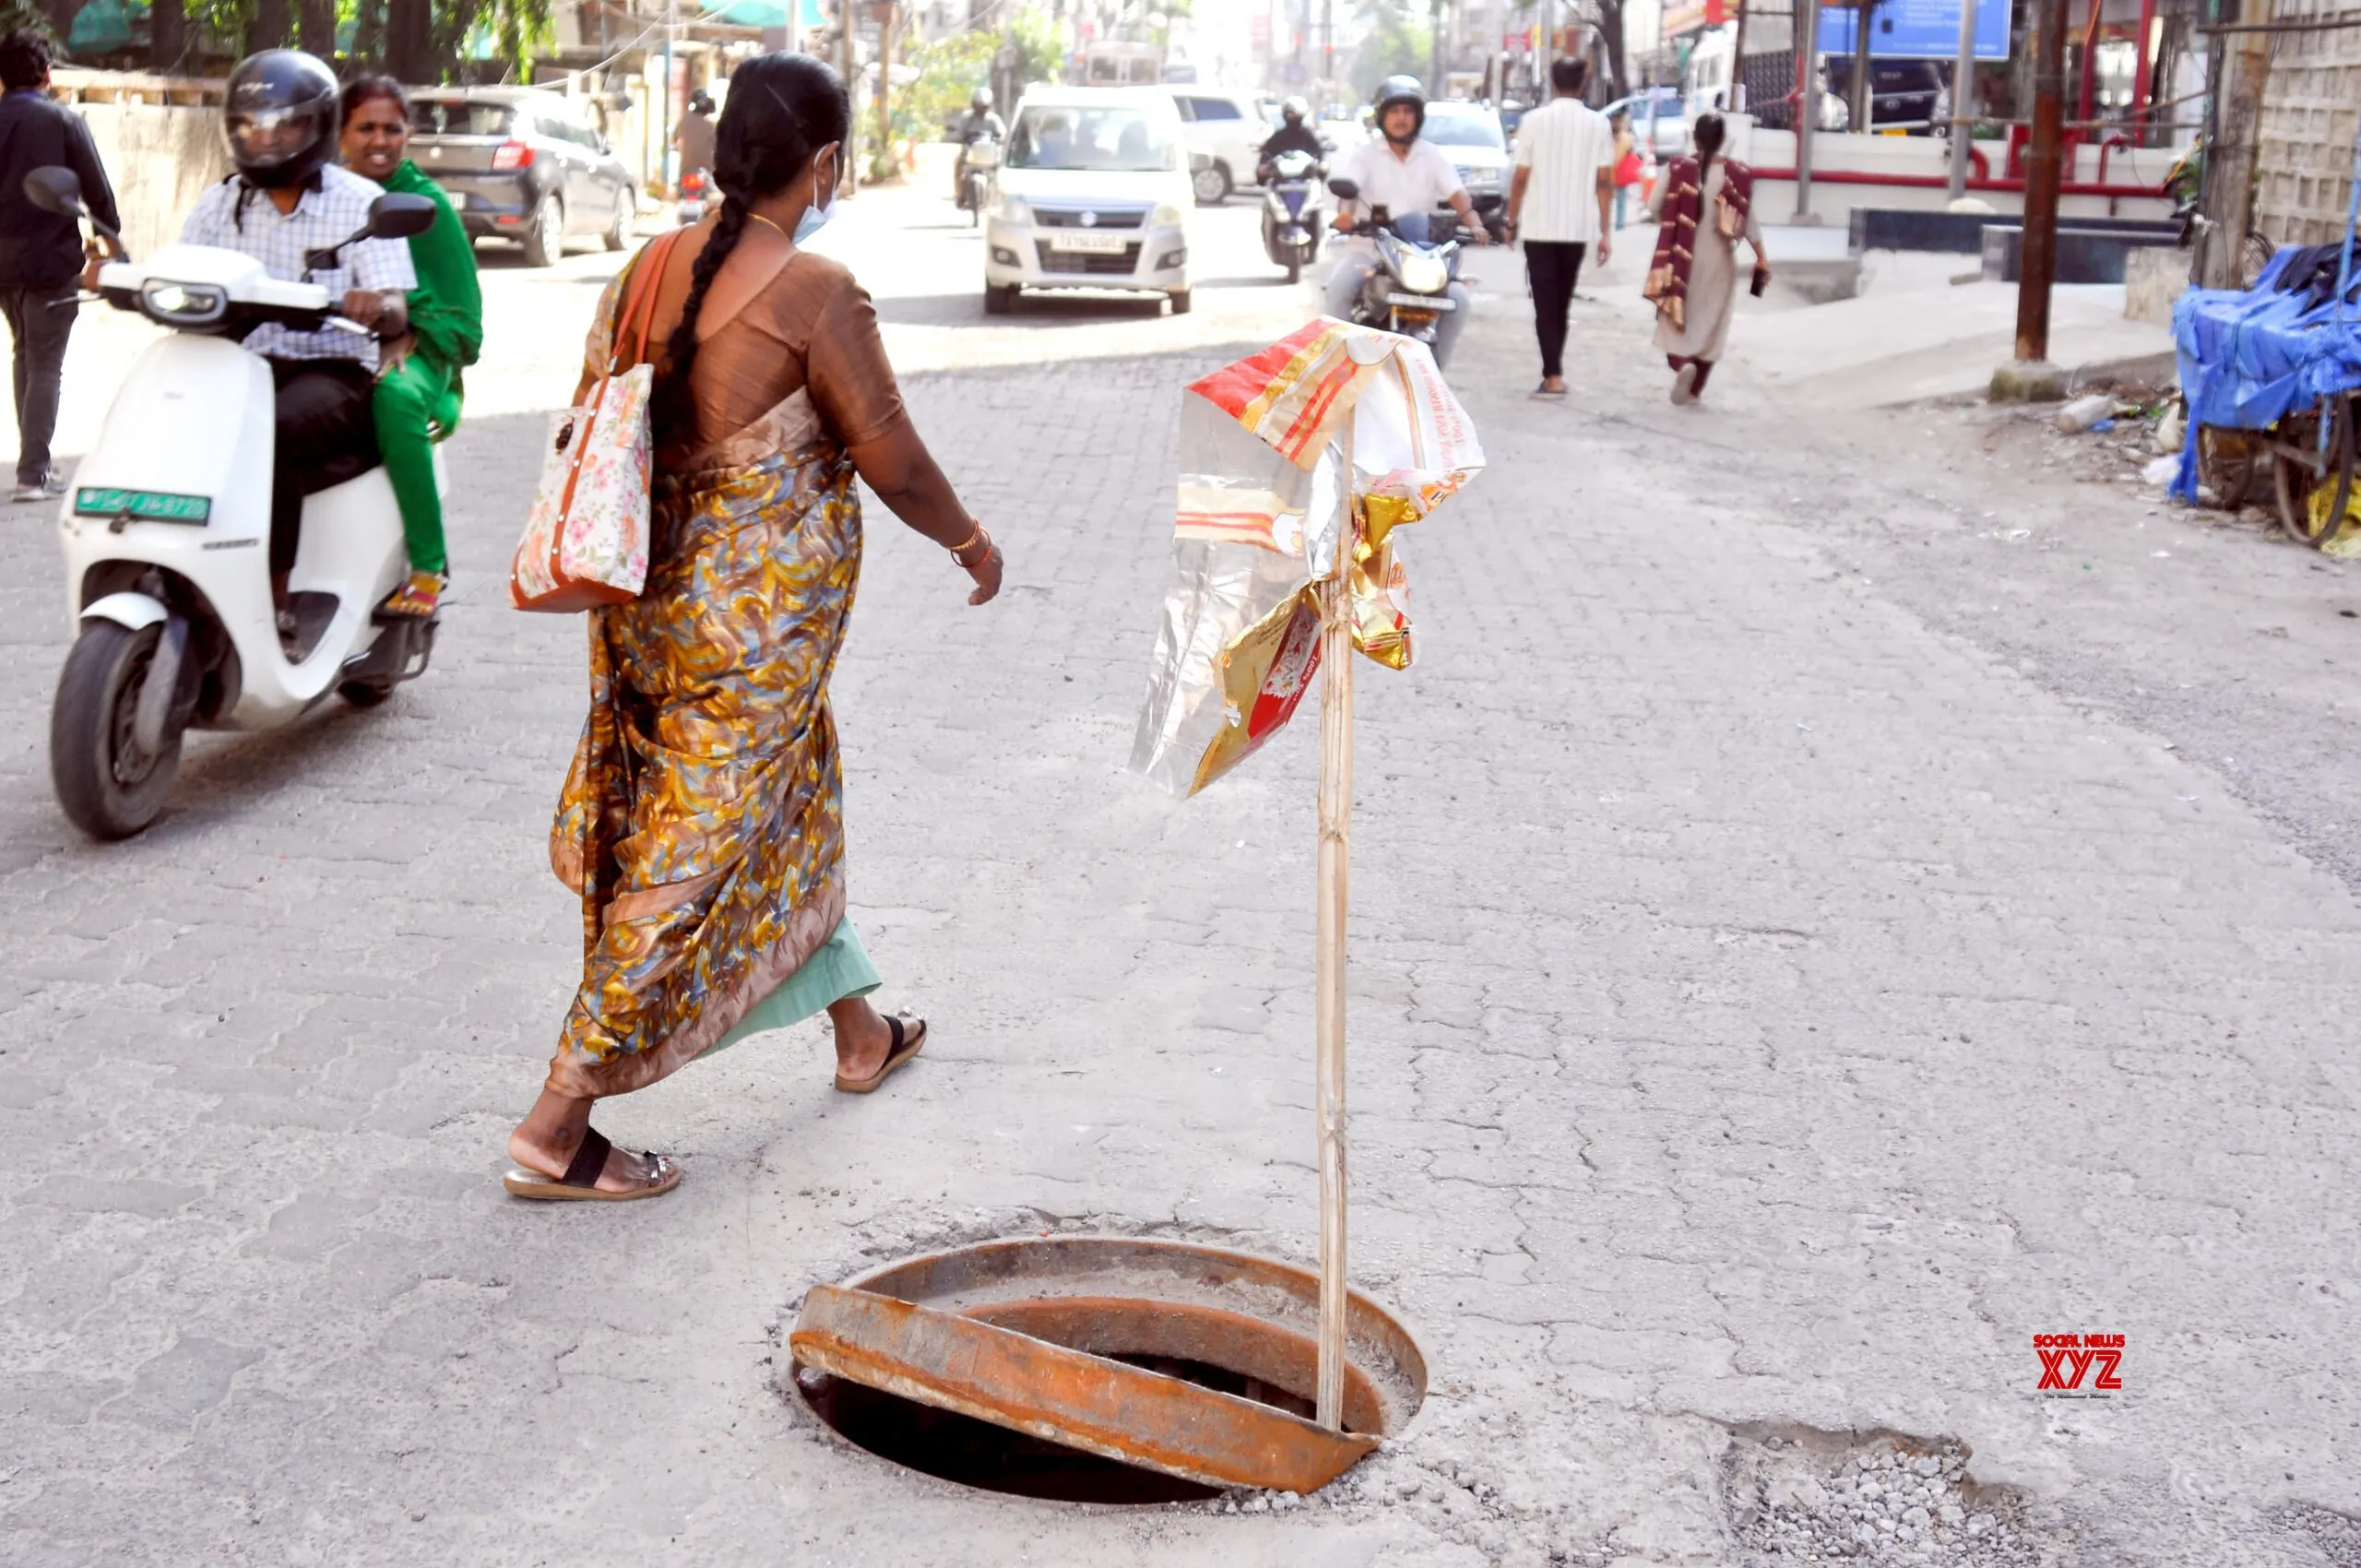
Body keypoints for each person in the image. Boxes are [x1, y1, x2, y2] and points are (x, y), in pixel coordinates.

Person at [504, 52, 1004, 1202]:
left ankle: (858, 1030)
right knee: (692, 860)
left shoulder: (642, 269)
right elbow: (895, 457)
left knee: (789, 807)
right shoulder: (817, 291)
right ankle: (555, 1124)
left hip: (647, 623)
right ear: (824, 162)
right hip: (750, 644)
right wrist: (969, 542)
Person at [183, 49, 413, 641]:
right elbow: (183, 271)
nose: (267, 138)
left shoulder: (358, 201)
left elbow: (396, 308)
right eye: (251, 125)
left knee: (272, 428)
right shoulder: (220, 202)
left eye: (284, 123)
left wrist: (376, 305)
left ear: (316, 126)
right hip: (236, 362)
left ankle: (274, 593)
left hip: (330, 370)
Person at [338, 76, 481, 619]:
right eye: (365, 128)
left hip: (427, 363)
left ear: (408, 134)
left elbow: (464, 322)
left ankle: (427, 565)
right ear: (341, 133)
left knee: (395, 396)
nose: (379, 140)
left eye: (391, 129)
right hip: (332, 347)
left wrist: (409, 326)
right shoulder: (327, 196)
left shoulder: (425, 205)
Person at [0, 28, 121, 504]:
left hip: (2, 266)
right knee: (45, 363)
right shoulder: (63, 122)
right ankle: (33, 474)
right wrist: (111, 240)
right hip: (51, 262)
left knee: (25, 353)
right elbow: (97, 191)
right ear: (47, 74)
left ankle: (33, 467)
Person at [1323, 76, 1489, 369]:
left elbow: (1457, 193)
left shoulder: (1431, 154)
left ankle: (1437, 374)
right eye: (1394, 111)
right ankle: (1338, 368)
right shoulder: (1366, 154)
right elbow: (1351, 187)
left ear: (1418, 116)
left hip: (1419, 256)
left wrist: (1475, 223)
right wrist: (1346, 215)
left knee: (1459, 300)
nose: (1401, 118)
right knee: (1339, 287)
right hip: (1370, 251)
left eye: (1408, 111)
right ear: (1381, 117)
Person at [1504, 57, 1613, 400]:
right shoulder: (1599, 124)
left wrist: (1511, 220)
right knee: (1562, 302)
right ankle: (1554, 371)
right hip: (1577, 228)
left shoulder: (1532, 121)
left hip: (1538, 227)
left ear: (1552, 82)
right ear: (1582, 82)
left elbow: (1520, 177)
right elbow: (1605, 181)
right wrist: (1605, 232)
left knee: (1544, 302)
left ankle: (1552, 373)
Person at [1643, 111, 1768, 406]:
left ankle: (1681, 364)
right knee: (1713, 324)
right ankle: (1695, 390)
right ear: (1723, 139)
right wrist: (1762, 258)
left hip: (1680, 259)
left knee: (1674, 320)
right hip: (1719, 261)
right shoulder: (1736, 175)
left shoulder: (1677, 169)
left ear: (1694, 138)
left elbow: (1653, 205)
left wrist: (1672, 220)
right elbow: (1748, 222)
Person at [953, 86, 1004, 200]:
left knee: (1000, 165)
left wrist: (999, 139)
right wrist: (960, 138)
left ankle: (997, 193)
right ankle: (960, 193)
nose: (981, 109)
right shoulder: (966, 118)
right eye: (978, 106)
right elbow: (959, 133)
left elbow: (1001, 133)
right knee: (958, 163)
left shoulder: (993, 119)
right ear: (973, 105)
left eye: (984, 107)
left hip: (988, 154)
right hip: (970, 153)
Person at [1256, 94, 1324, 180]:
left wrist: (1321, 163)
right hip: (1281, 180)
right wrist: (1264, 165)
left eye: (1296, 114)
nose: (1293, 117)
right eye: (1290, 114)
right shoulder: (1278, 136)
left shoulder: (1308, 135)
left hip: (1305, 179)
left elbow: (1319, 152)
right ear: (1284, 114)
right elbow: (1267, 152)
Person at [674, 89, 717, 186]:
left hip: (686, 170)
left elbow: (674, 139)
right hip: (706, 170)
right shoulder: (710, 125)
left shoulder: (684, 119)